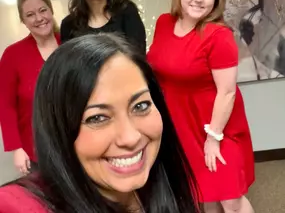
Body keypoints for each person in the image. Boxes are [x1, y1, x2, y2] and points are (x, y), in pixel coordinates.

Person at [0, 33, 200, 213]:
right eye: (97, 118)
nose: (130, 138)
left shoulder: (166, 182)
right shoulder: (19, 205)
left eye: (140, 106)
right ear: (59, 129)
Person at [147, 0, 255, 213]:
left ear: (216, 0)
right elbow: (158, 65)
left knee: (231, 198)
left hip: (217, 127)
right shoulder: (164, 23)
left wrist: (213, 137)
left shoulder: (219, 35)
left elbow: (227, 92)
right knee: (203, 194)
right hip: (182, 124)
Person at [0, 0, 60, 175]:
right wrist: (16, 148)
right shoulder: (12, 55)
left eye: (43, 10)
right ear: (23, 21)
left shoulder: (71, 42)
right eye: (30, 15)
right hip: (36, 148)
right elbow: (5, 105)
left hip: (77, 141)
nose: (39, 18)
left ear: (51, 11)